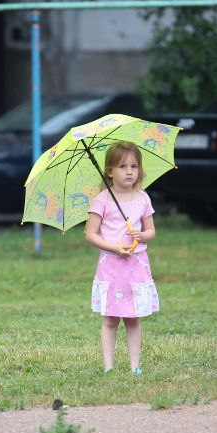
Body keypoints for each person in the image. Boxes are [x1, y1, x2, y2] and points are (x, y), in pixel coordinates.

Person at [84, 141, 158, 375]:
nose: (129, 171)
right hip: (112, 266)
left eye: (134, 166)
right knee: (110, 319)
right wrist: (114, 248)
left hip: (135, 266)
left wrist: (142, 235)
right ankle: (109, 366)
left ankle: (135, 366)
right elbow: (90, 234)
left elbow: (151, 231)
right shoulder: (102, 200)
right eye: (123, 166)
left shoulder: (143, 198)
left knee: (133, 318)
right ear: (109, 171)